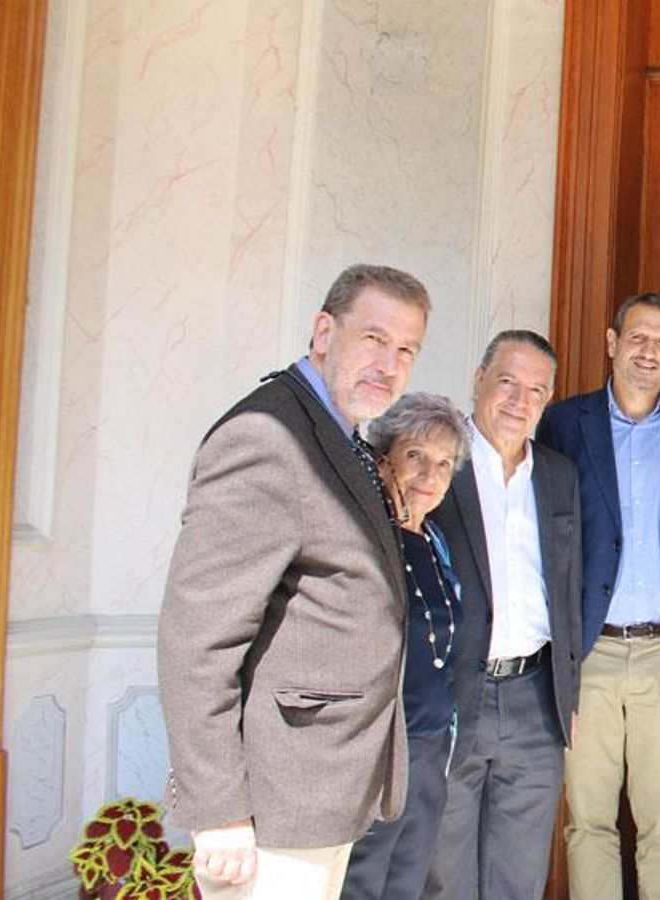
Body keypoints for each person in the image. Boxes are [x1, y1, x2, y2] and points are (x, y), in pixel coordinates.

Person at [158, 264, 430, 900]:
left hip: (321, 793)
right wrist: (218, 809)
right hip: (271, 804)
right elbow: (197, 637)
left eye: (406, 350)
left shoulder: (339, 432)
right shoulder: (267, 436)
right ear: (324, 332)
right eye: (373, 339)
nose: (388, 365)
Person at [539, 293, 660, 900]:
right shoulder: (566, 424)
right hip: (589, 650)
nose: (647, 352)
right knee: (589, 820)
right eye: (637, 337)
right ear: (611, 342)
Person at [423, 331, 582, 900]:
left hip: (536, 697)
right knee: (444, 871)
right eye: (507, 382)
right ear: (478, 379)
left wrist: (570, 693)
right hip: (453, 692)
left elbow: (569, 590)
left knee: (519, 875)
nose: (520, 400)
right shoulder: (436, 466)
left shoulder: (560, 475)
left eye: (536, 390)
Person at [340, 393, 469, 900]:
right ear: (385, 454)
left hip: (431, 750)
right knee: (362, 883)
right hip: (378, 754)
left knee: (408, 882)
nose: (428, 474)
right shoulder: (366, 539)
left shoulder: (436, 543)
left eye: (442, 463)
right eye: (415, 455)